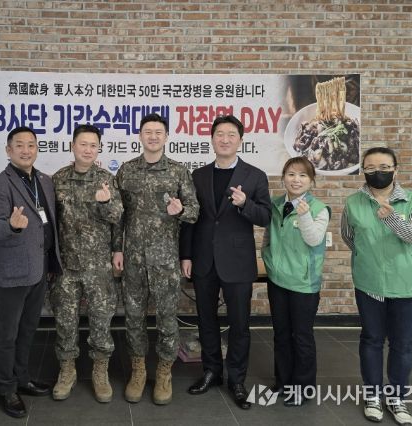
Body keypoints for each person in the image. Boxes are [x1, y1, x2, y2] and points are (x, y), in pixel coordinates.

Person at [180, 114, 271, 409]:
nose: (225, 139)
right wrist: (186, 255)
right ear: (212, 139)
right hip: (204, 260)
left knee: (239, 323)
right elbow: (190, 219)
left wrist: (245, 205)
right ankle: (211, 371)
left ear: (240, 140)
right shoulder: (198, 175)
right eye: (220, 134)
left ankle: (237, 379)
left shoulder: (255, 175)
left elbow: (266, 216)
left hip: (238, 261)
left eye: (231, 134)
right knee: (206, 319)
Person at [112, 113, 199, 405]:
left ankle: (164, 372)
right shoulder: (126, 171)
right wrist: (117, 249)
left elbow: (194, 211)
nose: (153, 136)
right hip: (134, 259)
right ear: (140, 136)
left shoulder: (178, 171)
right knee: (134, 317)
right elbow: (118, 215)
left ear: (166, 137)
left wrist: (180, 211)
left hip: (165, 260)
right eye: (147, 132)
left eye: (158, 132)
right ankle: (138, 370)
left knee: (167, 318)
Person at [341, 147, 412, 425]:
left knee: (402, 343)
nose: (377, 172)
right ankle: (373, 396)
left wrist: (390, 218)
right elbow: (349, 236)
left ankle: (397, 397)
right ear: (363, 170)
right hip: (369, 283)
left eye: (384, 167)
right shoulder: (353, 202)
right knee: (371, 339)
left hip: (407, 283)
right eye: (370, 167)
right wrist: (368, 258)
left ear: (395, 169)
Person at [0, 126, 62, 418]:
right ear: (8, 150)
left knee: (28, 329)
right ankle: (6, 388)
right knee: (7, 334)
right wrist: (12, 226)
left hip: (39, 268)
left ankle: (22, 378)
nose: (26, 150)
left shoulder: (44, 180)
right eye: (19, 145)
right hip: (12, 272)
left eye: (31, 145)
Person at [50, 124, 123, 403]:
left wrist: (105, 203)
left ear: (99, 149)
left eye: (93, 145)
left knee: (101, 320)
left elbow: (117, 218)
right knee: (65, 321)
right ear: (73, 146)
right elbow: (51, 222)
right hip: (66, 265)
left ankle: (100, 371)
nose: (88, 150)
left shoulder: (106, 179)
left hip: (98, 266)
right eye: (83, 144)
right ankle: (66, 370)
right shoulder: (58, 179)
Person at [261, 156, 330, 406]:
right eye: (291, 174)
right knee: (281, 334)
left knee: (301, 336)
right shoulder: (276, 204)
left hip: (303, 284)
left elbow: (314, 239)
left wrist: (305, 216)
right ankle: (283, 382)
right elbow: (268, 236)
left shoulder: (319, 208)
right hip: (277, 280)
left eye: (302, 175)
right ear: (283, 178)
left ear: (311, 181)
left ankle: (303, 388)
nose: (296, 180)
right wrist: (268, 259)